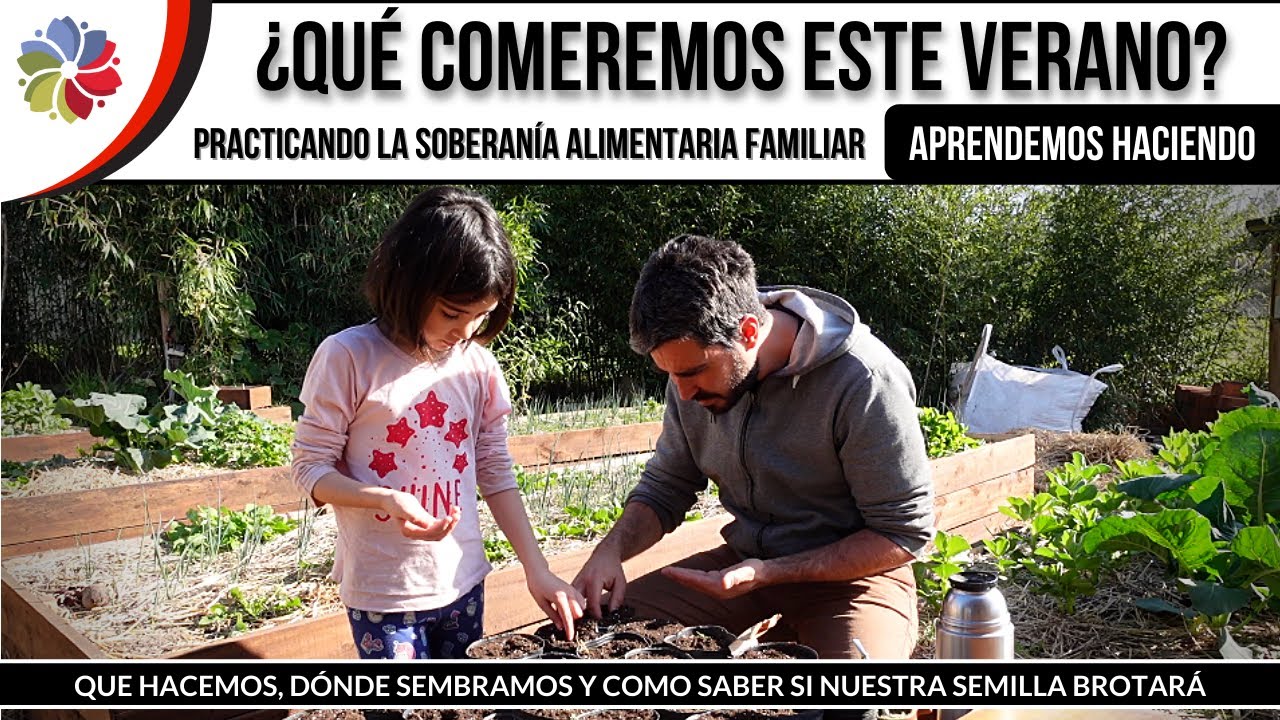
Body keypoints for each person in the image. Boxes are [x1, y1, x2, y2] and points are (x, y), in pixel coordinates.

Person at [572, 235, 934, 660]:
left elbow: (902, 533)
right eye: (670, 375)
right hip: (740, 569)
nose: (683, 393)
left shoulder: (864, 381)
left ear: (748, 331)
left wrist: (772, 572)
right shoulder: (689, 375)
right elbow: (667, 485)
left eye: (693, 372)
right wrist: (609, 551)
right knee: (588, 640)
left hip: (855, 581)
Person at [292, 186, 584, 660]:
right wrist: (386, 498)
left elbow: (494, 470)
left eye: (482, 315)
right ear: (408, 283)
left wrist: (538, 569)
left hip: (463, 580)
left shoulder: (477, 368)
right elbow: (310, 469)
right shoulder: (348, 357)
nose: (465, 330)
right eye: (452, 313)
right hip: (385, 590)